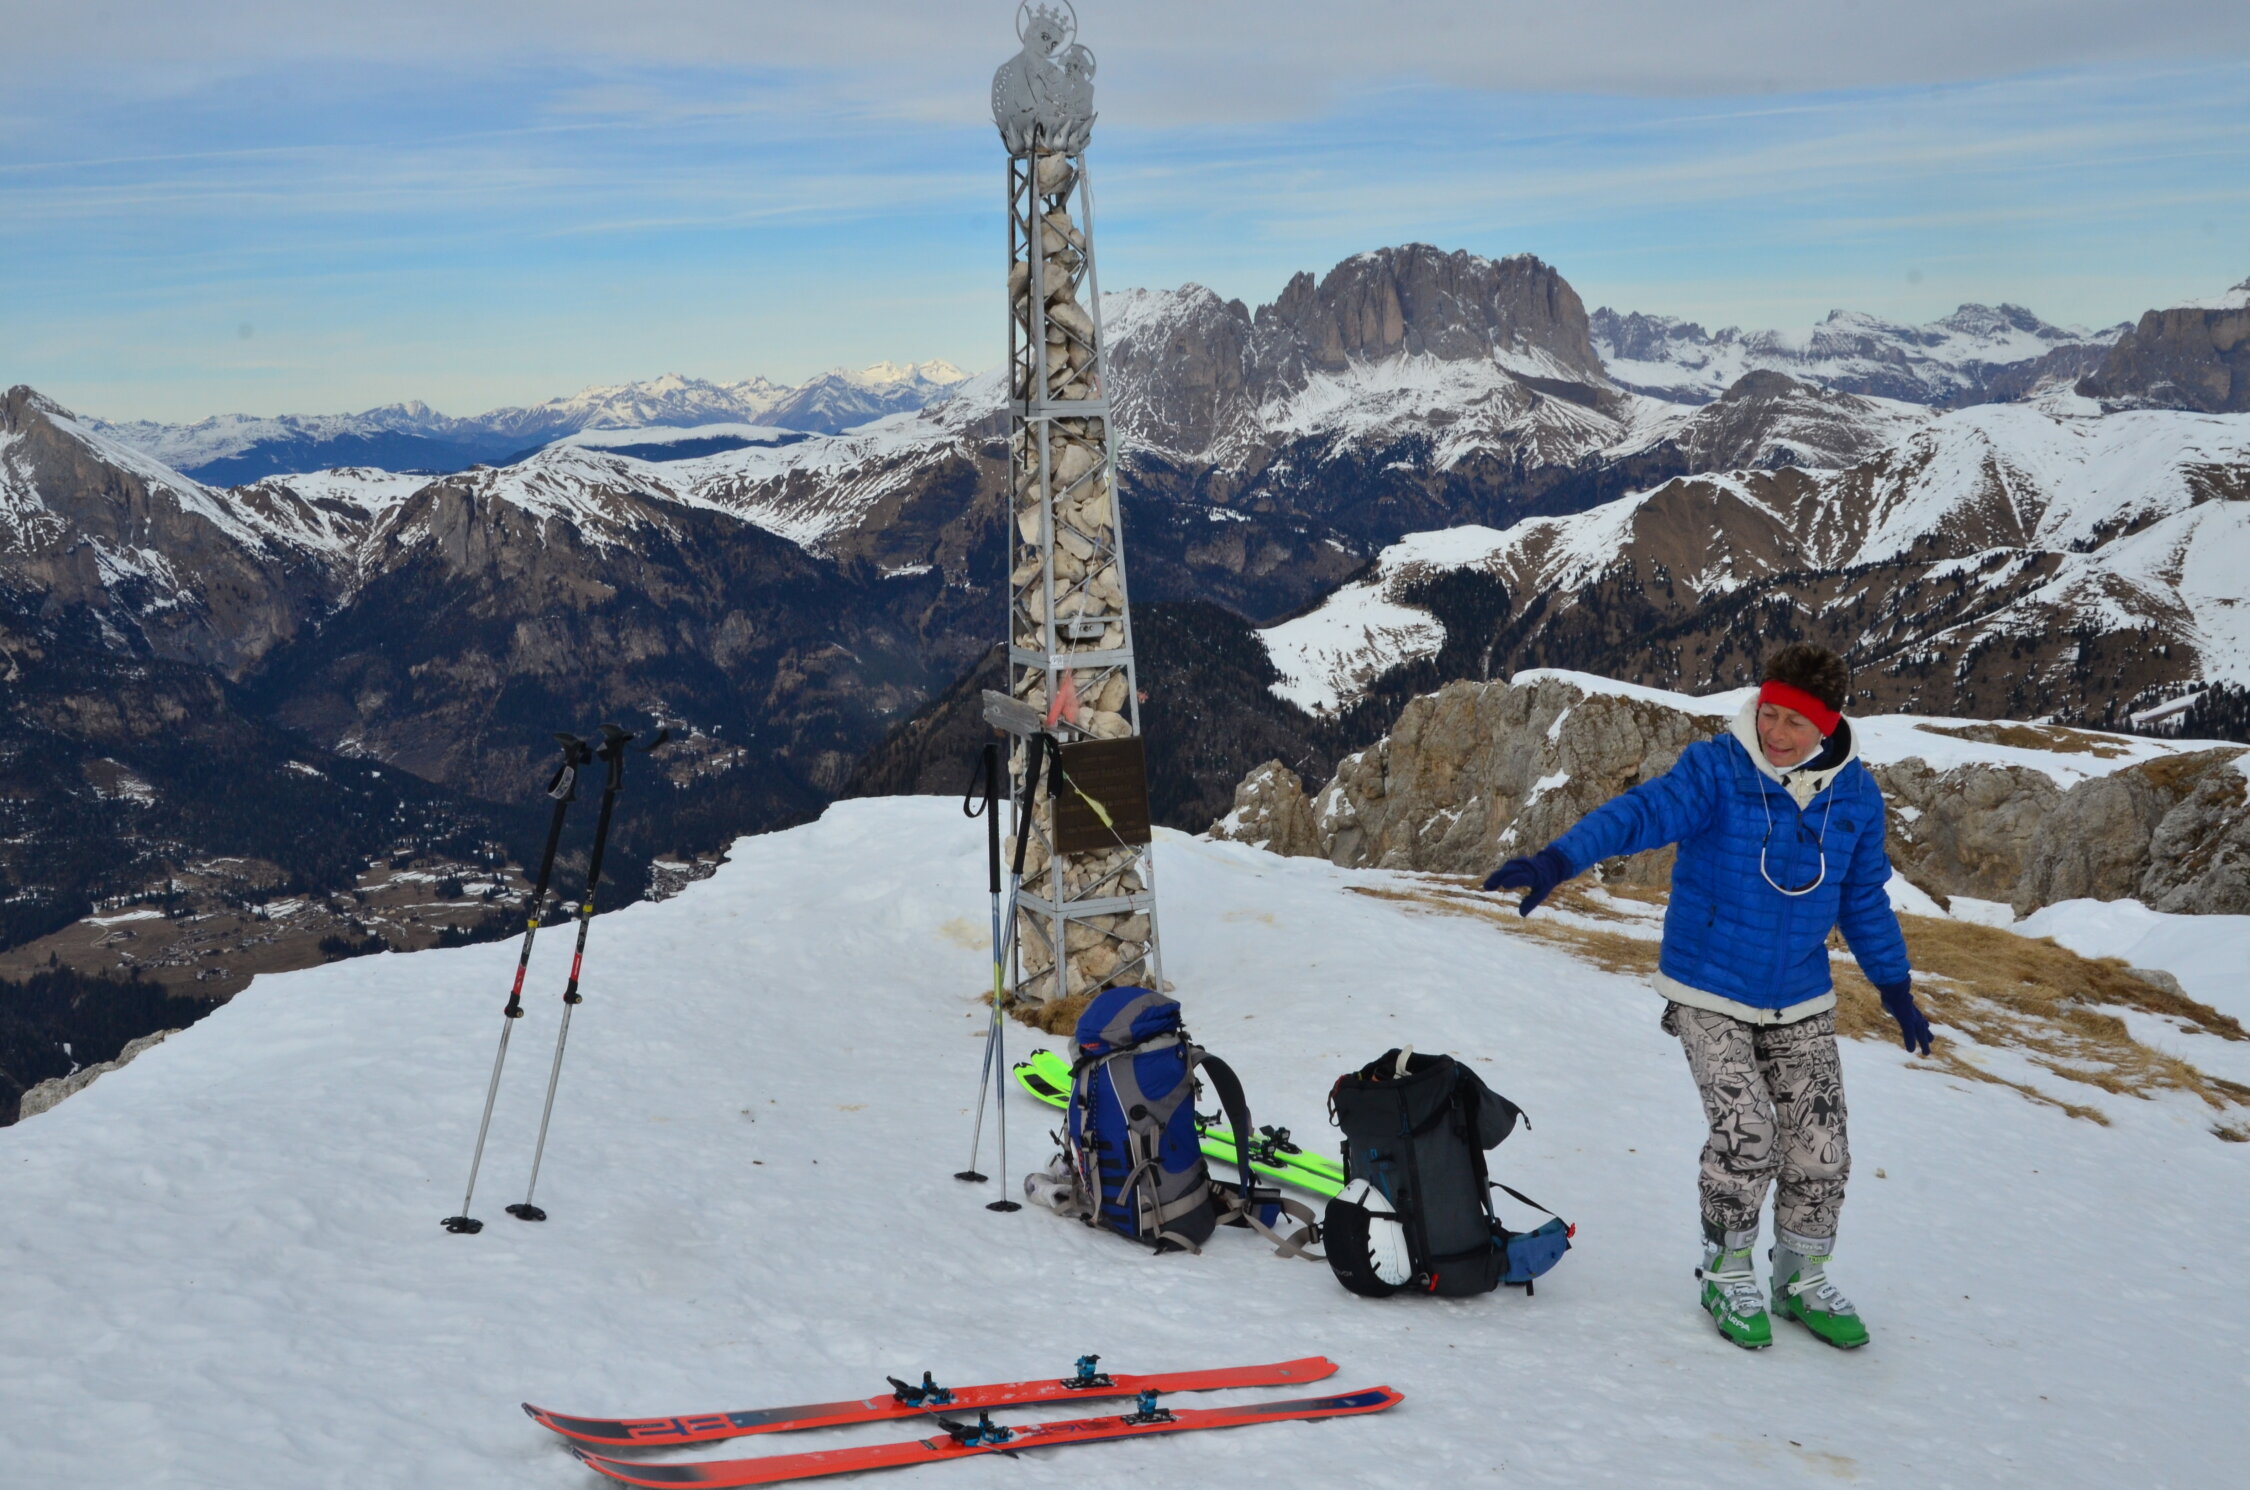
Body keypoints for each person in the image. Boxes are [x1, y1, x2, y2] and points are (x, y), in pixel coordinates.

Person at [1484, 643, 1932, 1351]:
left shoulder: (1856, 797)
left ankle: (1800, 1277)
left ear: (1829, 728)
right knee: (1747, 1133)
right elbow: (1640, 813)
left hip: (1800, 996)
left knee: (1822, 1147)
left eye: (1796, 724)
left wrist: (1895, 987)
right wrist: (1558, 859)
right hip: (1708, 987)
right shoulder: (1716, 772)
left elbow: (1863, 901)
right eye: (1770, 715)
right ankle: (1726, 1269)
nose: (1777, 734)